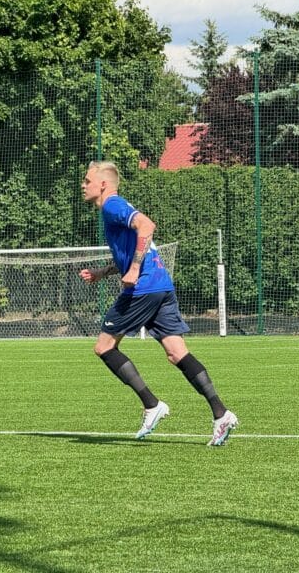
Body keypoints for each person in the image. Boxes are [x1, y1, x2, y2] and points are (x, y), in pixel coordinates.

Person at [79, 161, 238, 446]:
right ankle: (221, 413)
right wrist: (104, 273)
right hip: (161, 286)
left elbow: (147, 226)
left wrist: (135, 270)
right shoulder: (115, 208)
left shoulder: (112, 205)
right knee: (177, 353)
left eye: (87, 180)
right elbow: (136, 245)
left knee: (104, 347)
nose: (83, 185)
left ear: (103, 184)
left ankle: (152, 405)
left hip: (144, 288)